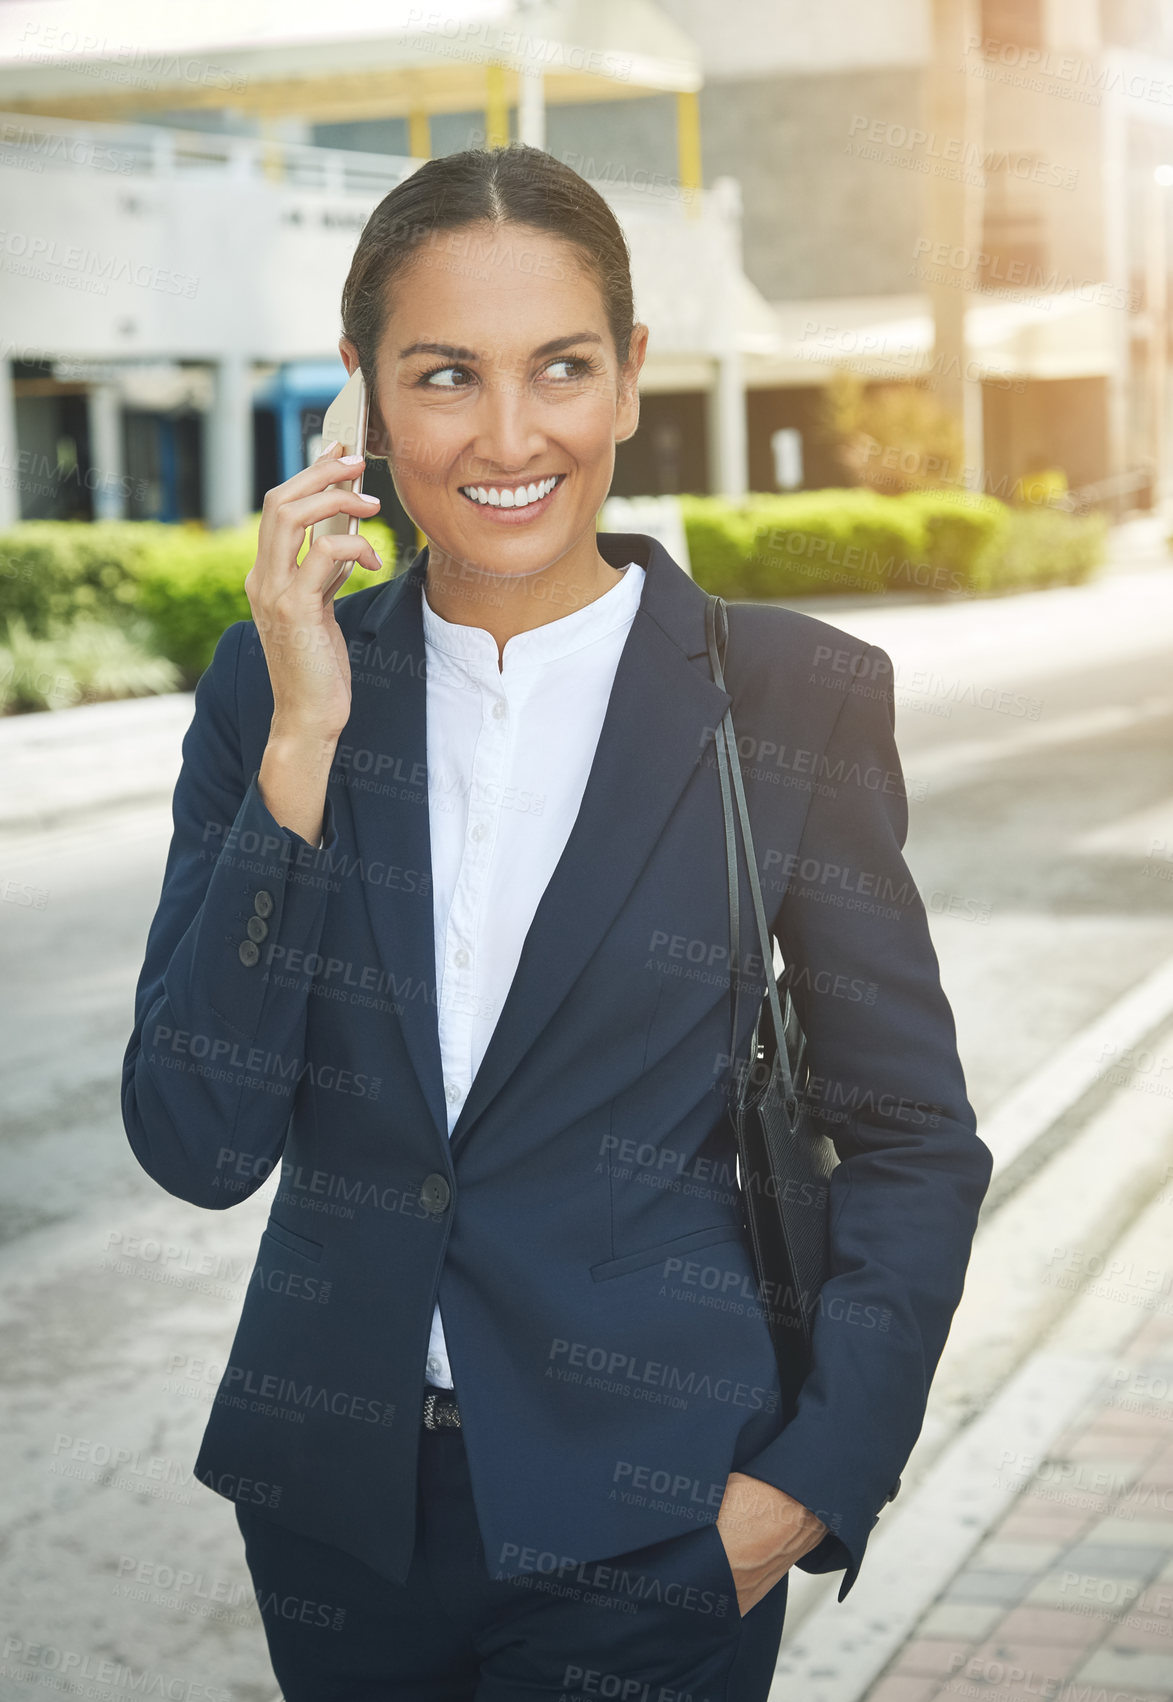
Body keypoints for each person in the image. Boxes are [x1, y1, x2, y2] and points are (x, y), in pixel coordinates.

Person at [121, 144, 993, 1701]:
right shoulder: (271, 687)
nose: (508, 437)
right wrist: (304, 745)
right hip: (337, 1519)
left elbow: (913, 1136)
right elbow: (197, 1138)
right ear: (362, 394)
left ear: (632, 374)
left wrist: (805, 1479)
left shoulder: (788, 696)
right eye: (445, 374)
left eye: (561, 368)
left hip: (660, 1514)